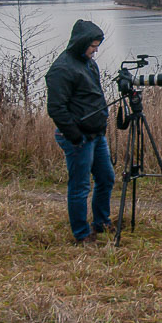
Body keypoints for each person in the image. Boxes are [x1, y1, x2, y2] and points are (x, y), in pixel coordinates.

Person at [45, 19, 115, 245]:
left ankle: (101, 221)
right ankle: (82, 234)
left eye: (97, 46)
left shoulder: (88, 63)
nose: (95, 51)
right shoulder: (61, 69)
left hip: (97, 134)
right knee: (80, 186)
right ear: (82, 42)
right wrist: (74, 135)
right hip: (77, 138)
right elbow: (56, 108)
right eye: (93, 46)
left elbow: (94, 96)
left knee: (106, 178)